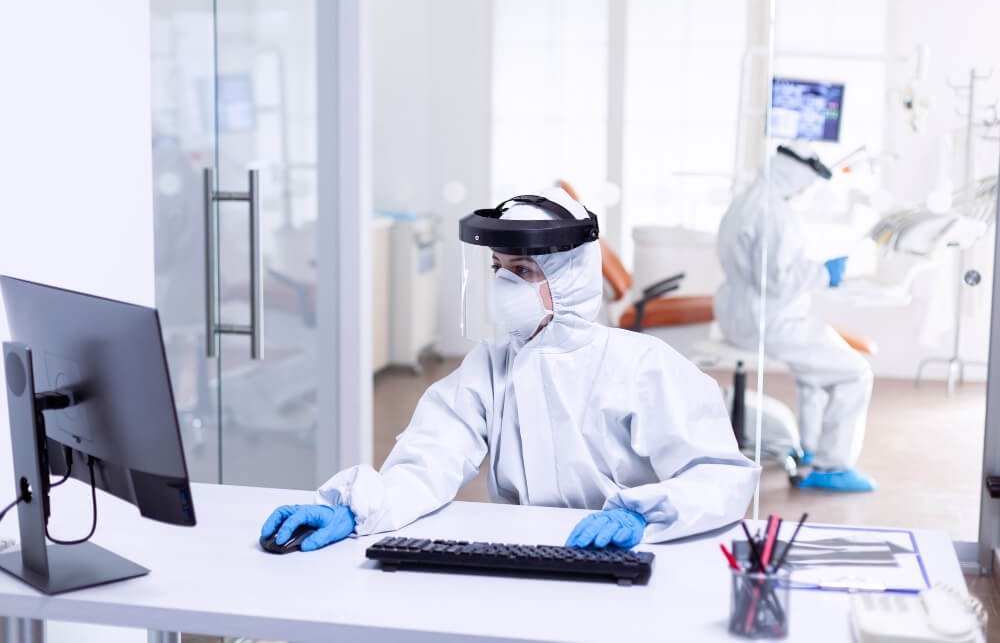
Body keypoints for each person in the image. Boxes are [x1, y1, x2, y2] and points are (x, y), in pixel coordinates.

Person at [260, 188, 759, 552]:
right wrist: (353, 508)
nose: (502, 284)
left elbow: (719, 477)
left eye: (522, 271)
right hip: (528, 556)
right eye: (498, 268)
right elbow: (429, 458)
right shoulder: (492, 364)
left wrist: (644, 516)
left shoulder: (644, 367)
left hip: (632, 559)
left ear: (570, 279)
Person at [715, 144, 876, 492]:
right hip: (768, 320)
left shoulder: (748, 201)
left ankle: (811, 448)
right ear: (795, 175)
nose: (806, 191)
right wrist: (823, 274)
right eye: (807, 183)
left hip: (738, 312)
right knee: (855, 373)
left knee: (816, 368)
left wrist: (816, 271)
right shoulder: (774, 213)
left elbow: (763, 270)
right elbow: (778, 282)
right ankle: (833, 466)